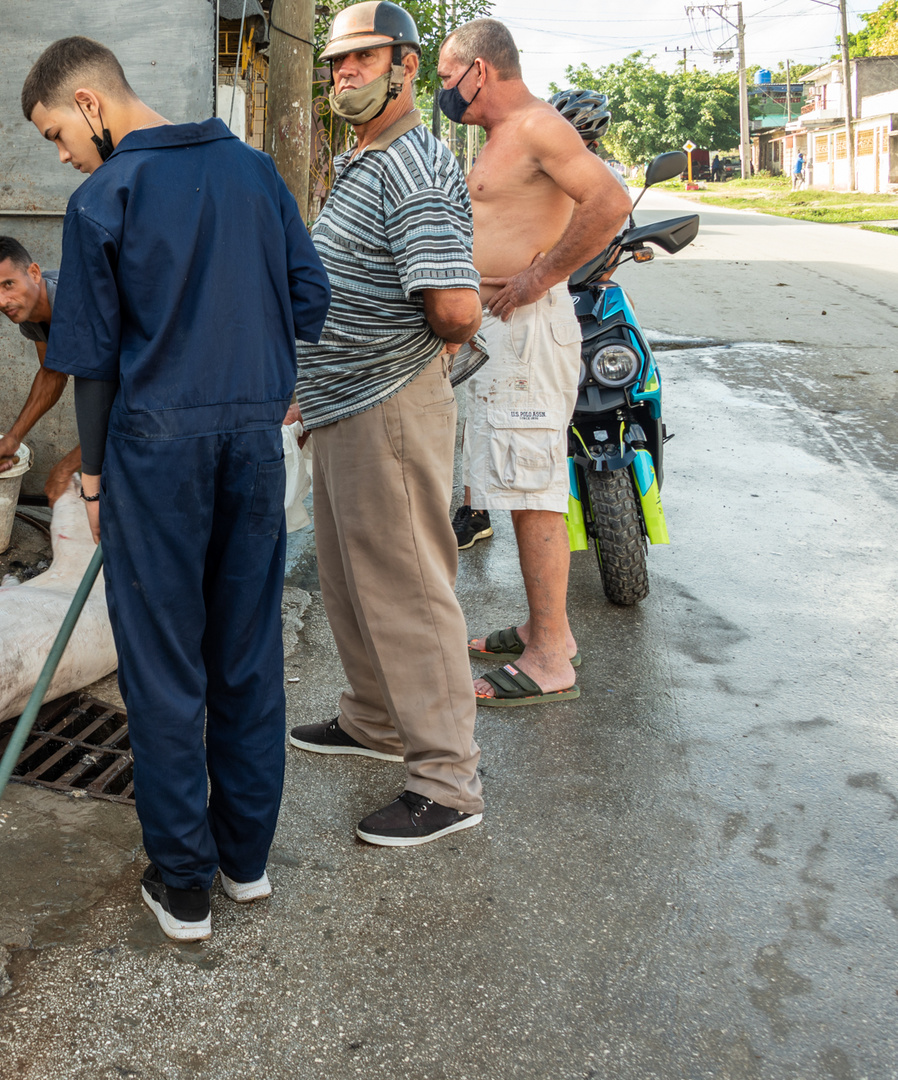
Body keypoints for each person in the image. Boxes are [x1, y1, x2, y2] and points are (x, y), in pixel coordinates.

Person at [24, 36, 329, 940]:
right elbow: (308, 301)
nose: (63, 154)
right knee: (244, 650)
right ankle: (246, 862)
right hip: (251, 443)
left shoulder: (103, 199)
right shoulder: (258, 173)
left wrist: (91, 479)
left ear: (88, 104)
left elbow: (91, 364)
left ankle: (183, 884)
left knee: (162, 668)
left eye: (54, 134)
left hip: (155, 451)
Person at [284, 1, 486, 848]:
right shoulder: (366, 155)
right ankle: (374, 717)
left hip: (388, 405)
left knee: (407, 591)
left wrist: (373, 356)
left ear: (407, 66)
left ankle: (447, 780)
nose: (344, 76)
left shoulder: (414, 164)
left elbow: (455, 309)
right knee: (349, 582)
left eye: (362, 60)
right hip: (341, 404)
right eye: (336, 64)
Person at [438, 18, 632, 706]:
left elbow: (608, 202)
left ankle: (552, 656)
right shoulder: (502, 136)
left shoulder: (538, 126)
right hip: (501, 331)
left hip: (529, 327)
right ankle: (542, 626)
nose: (444, 91)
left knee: (534, 486)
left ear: (479, 71)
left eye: (445, 78)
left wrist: (541, 276)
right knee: (516, 484)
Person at [0, 236, 83, 486]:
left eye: (8, 284)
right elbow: (52, 373)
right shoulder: (32, 313)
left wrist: (67, 467)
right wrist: (14, 438)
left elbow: (119, 402)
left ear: (33, 273)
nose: (0, 302)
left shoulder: (78, 307)